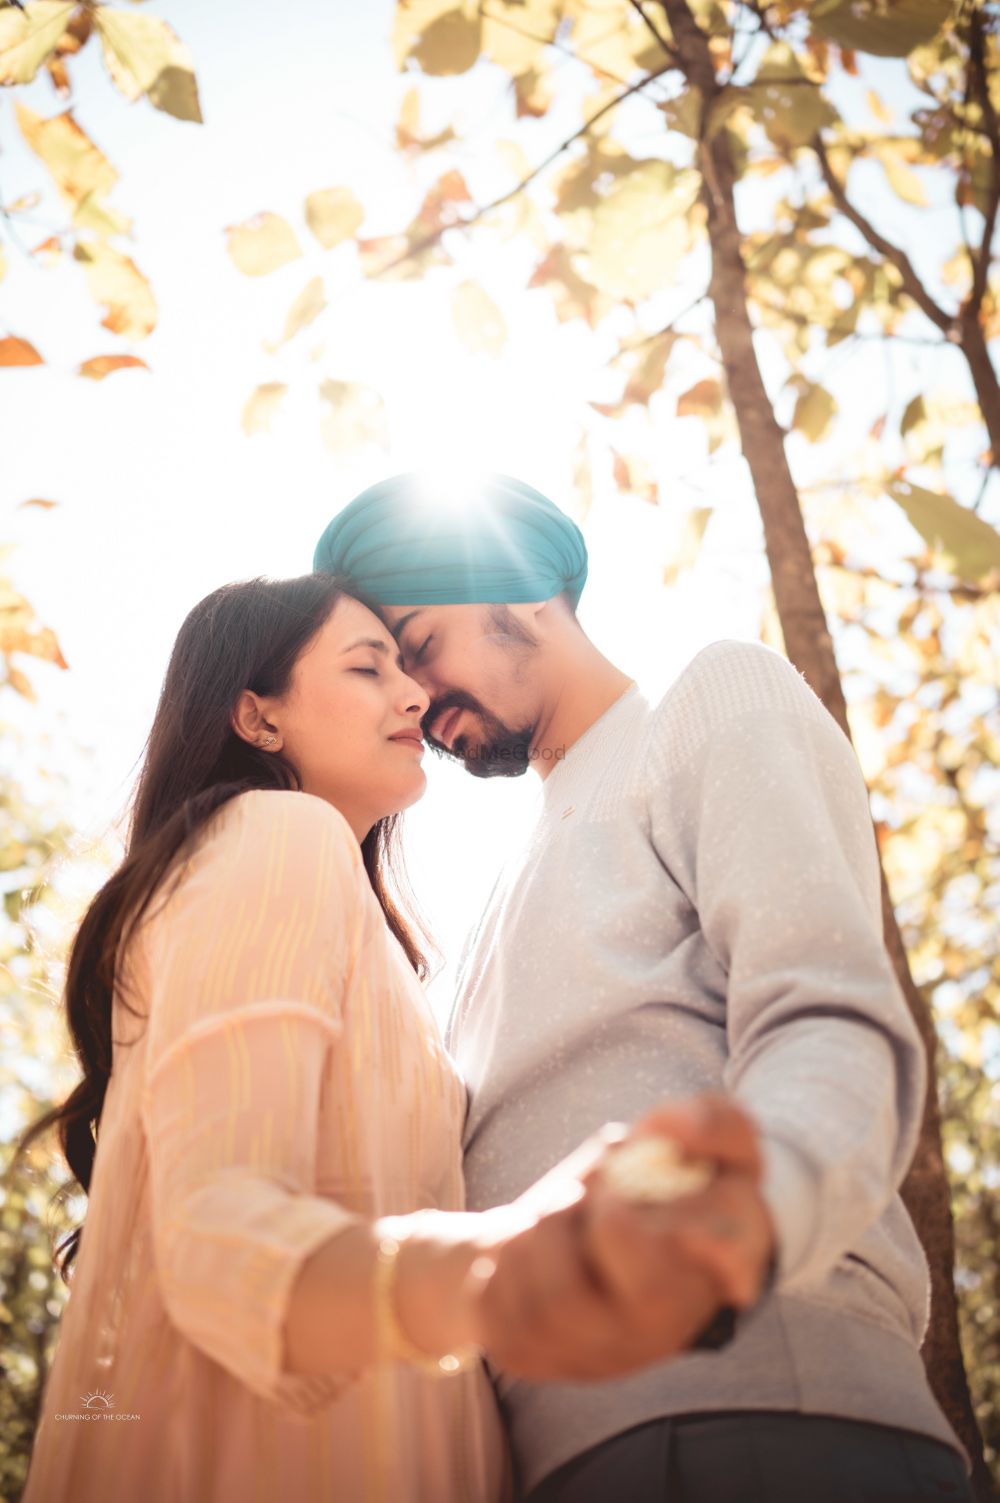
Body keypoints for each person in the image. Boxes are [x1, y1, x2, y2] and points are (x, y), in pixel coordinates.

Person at [12, 572, 761, 1503]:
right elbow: (216, 1237)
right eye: (369, 668)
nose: (414, 693)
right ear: (257, 716)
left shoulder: (361, 937)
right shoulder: (274, 834)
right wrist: (504, 1270)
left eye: (406, 667)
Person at [313, 471, 977, 1503]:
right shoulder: (496, 898)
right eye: (388, 670)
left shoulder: (711, 700)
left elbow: (829, 1019)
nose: (412, 695)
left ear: (523, 586)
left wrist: (737, 1222)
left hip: (762, 1409)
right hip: (542, 1455)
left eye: (421, 642)